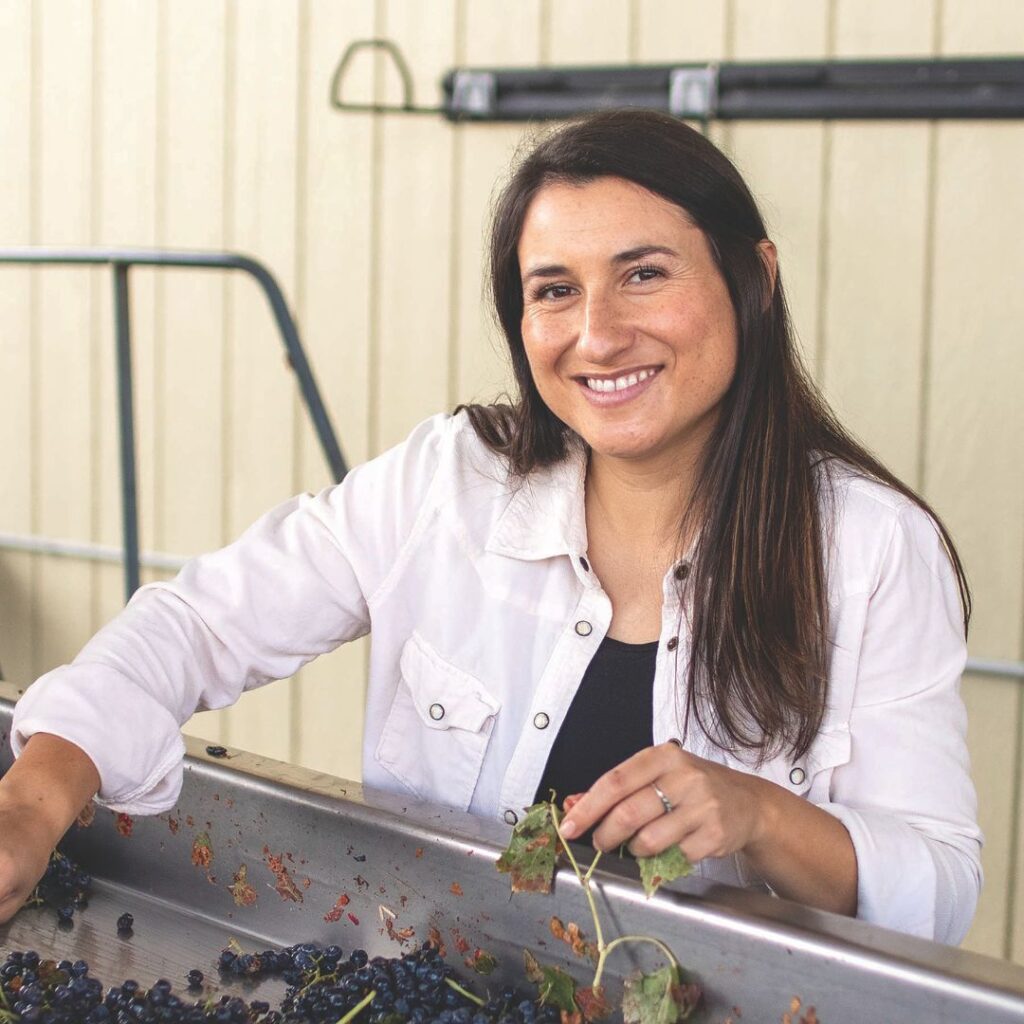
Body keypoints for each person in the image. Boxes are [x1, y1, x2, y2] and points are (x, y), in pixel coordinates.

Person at [0, 110, 980, 944]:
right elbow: (200, 625)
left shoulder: (870, 547)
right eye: (553, 290)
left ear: (753, 280)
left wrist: (761, 814)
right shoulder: (448, 481)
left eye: (643, 274)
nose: (596, 334)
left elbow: (937, 889)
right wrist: (35, 799)